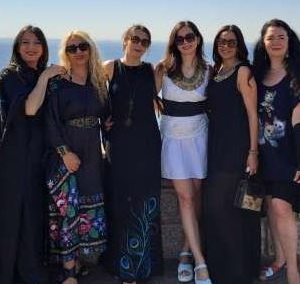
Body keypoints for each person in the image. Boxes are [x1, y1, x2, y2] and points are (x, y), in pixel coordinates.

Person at [0, 25, 65, 284]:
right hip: (13, 160)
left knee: (32, 217)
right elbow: (30, 109)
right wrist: (46, 76)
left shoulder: (37, 75)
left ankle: (30, 272)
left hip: (36, 159)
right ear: (17, 47)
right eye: (25, 42)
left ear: (43, 47)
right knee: (12, 218)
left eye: (37, 42)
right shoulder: (10, 75)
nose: (31, 47)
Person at [252, 19, 300, 284]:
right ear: (263, 43)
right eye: (270, 37)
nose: (276, 42)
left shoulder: (299, 79)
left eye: (281, 37)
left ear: (289, 42)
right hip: (262, 156)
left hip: (287, 157)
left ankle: (293, 270)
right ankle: (279, 260)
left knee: (282, 208)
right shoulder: (256, 76)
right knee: (272, 209)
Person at [44, 30, 109, 284]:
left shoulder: (98, 82)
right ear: (66, 53)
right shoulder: (58, 83)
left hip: (92, 155)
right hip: (67, 154)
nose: (79, 52)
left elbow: (106, 116)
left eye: (83, 46)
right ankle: (68, 271)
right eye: (72, 48)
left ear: (90, 48)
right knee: (68, 211)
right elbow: (50, 121)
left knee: (85, 208)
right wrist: (64, 153)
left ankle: (79, 262)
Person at [102, 25, 163, 284]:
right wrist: (103, 121)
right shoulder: (109, 68)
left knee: (145, 204)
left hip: (147, 146)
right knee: (121, 203)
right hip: (119, 147)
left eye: (145, 41)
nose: (139, 44)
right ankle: (123, 267)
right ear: (125, 40)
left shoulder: (152, 71)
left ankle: (143, 267)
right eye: (135, 39)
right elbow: (93, 98)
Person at [154, 21, 212, 284]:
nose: (186, 42)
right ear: (174, 43)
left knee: (196, 196)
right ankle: (200, 261)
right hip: (173, 139)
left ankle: (186, 251)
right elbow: (141, 98)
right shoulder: (163, 69)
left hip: (201, 137)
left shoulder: (210, 70)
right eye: (180, 39)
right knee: (186, 198)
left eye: (190, 37)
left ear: (198, 39)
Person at [203, 24, 261, 284]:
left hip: (235, 149)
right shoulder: (215, 71)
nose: (225, 46)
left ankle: (238, 273)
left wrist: (253, 152)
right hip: (215, 146)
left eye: (231, 42)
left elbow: (252, 115)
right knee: (216, 209)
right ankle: (220, 268)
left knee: (230, 210)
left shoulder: (243, 71)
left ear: (239, 46)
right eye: (221, 42)